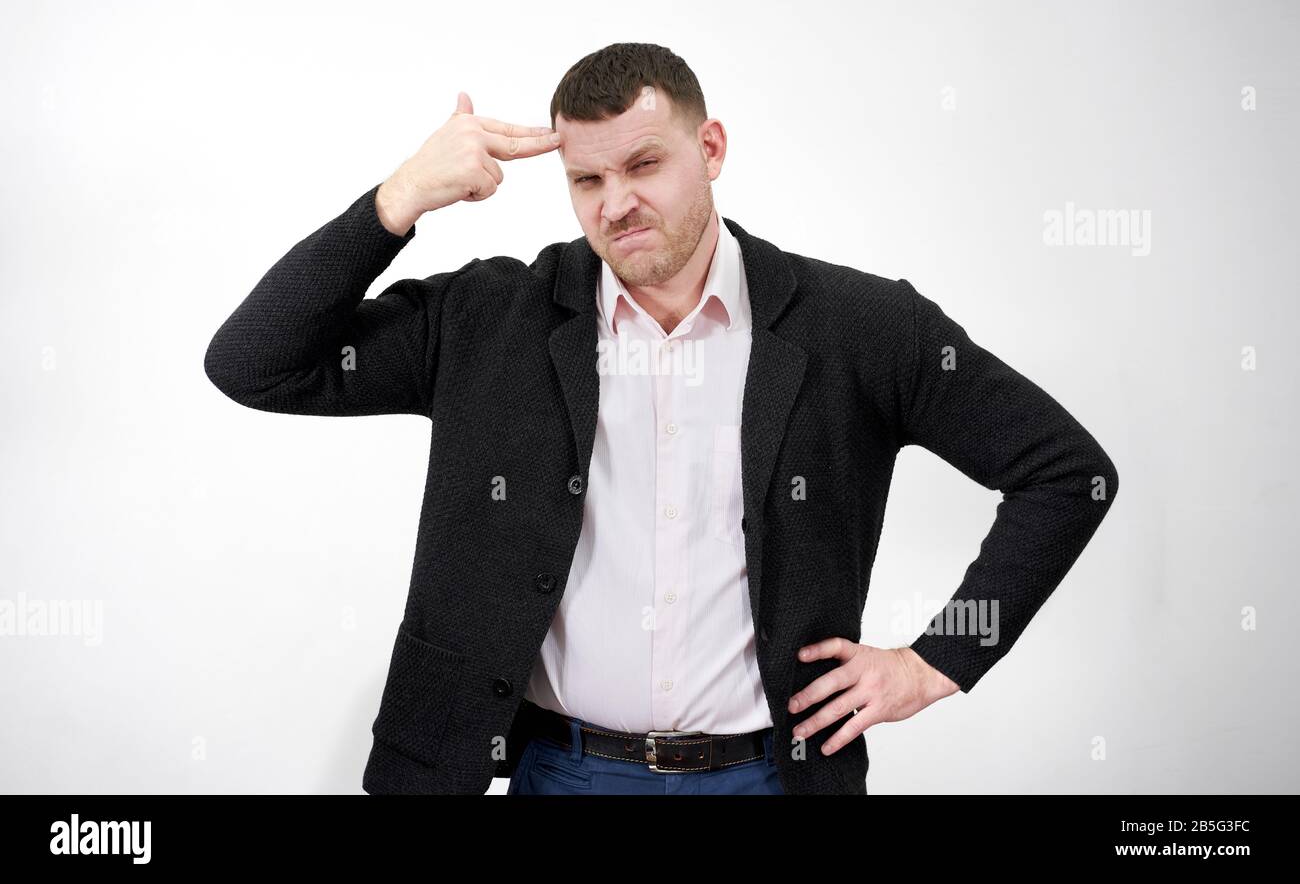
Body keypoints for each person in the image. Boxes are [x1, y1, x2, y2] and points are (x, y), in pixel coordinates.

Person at [204, 42, 1119, 795]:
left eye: (644, 164)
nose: (616, 204)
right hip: (561, 770)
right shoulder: (491, 320)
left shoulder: (861, 327)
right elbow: (254, 363)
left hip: (771, 776)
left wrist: (937, 661)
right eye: (587, 179)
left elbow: (1066, 474)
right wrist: (395, 200)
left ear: (710, 148)